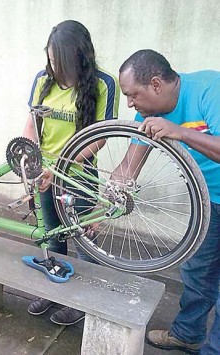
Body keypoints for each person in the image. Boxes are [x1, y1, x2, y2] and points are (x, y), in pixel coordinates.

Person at [118, 49, 220, 354]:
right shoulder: (149, 113)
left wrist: (182, 135)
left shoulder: (209, 90)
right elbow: (127, 168)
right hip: (209, 202)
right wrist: (104, 206)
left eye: (132, 95)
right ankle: (187, 334)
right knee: (197, 272)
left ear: (156, 84)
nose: (129, 103)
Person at [23, 20, 120, 326]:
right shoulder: (43, 80)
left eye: (61, 62)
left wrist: (61, 167)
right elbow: (30, 125)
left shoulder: (104, 83)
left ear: (80, 58)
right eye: (51, 60)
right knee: (52, 235)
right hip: (45, 172)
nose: (55, 68)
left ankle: (81, 300)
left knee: (83, 239)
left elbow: (101, 137)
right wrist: (30, 163)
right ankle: (56, 291)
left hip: (79, 173)